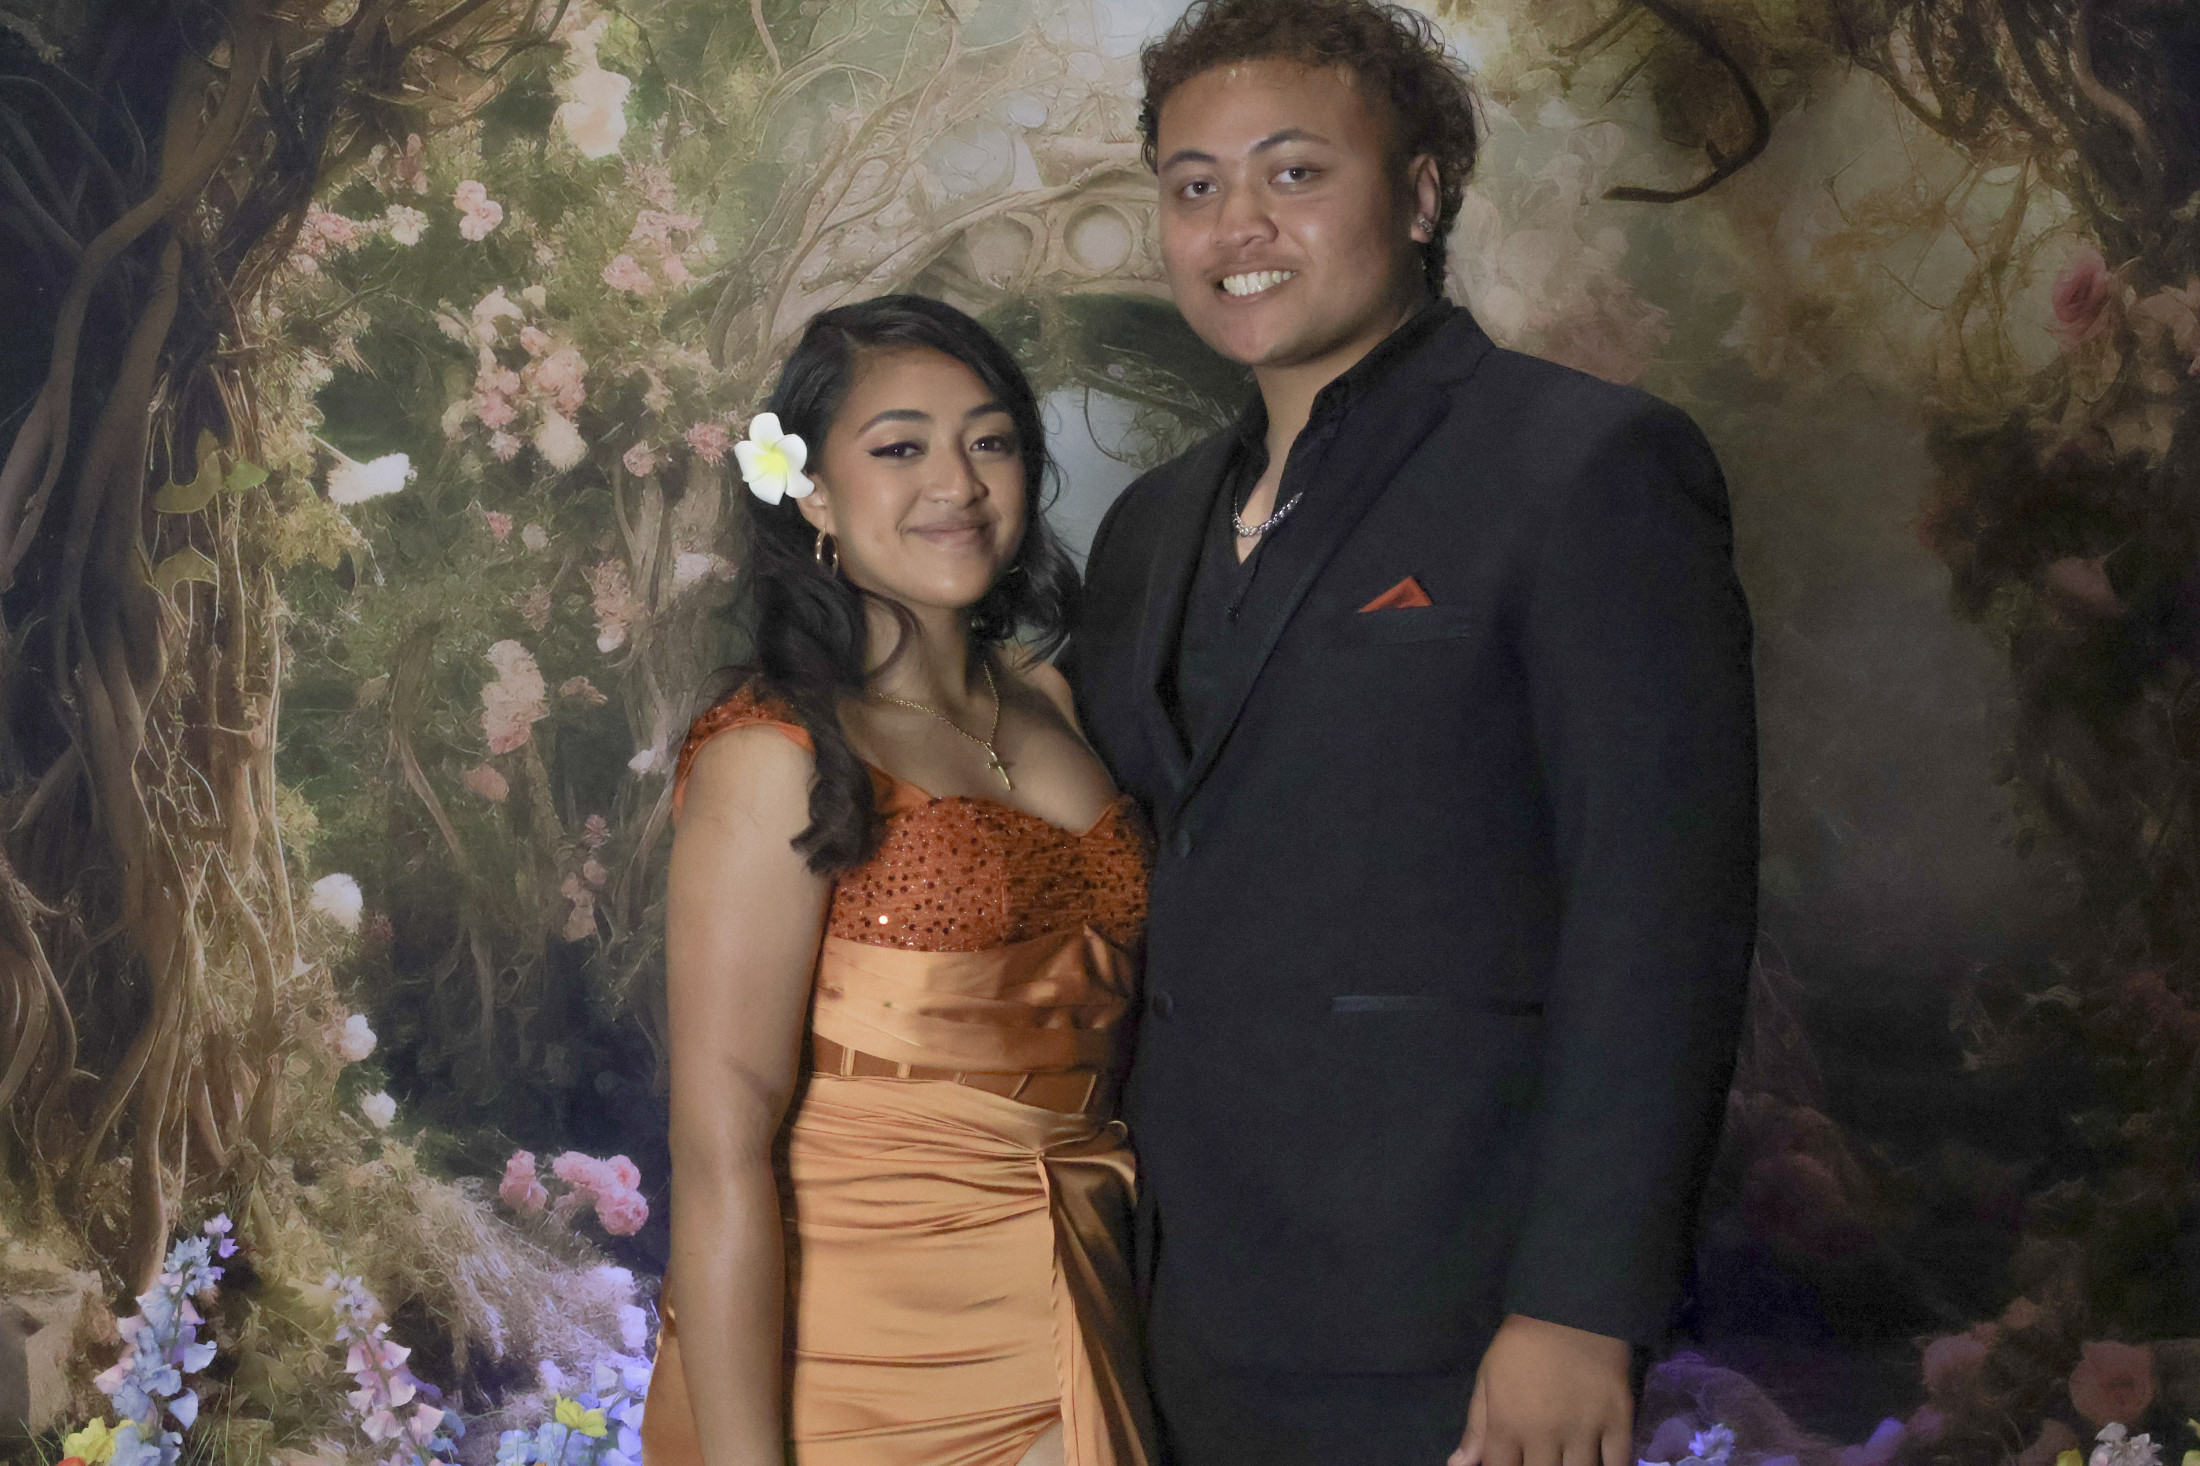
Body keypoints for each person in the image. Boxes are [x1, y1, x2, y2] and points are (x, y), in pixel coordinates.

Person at [1061, 1, 1760, 1463]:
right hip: (1165, 1303)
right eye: (1194, 185)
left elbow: (1660, 913)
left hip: (1457, 1309)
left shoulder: (1585, 465)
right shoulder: (1145, 529)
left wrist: (1580, 1306)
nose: (1238, 224)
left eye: (1295, 172)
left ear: (1423, 193)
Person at [644, 295, 1156, 1466]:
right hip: (862, 1358)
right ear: (812, 492)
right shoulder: (772, 749)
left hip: (1080, 1294)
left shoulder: (1054, 699)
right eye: (899, 448)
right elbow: (719, 1151)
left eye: (990, 440)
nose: (956, 483)